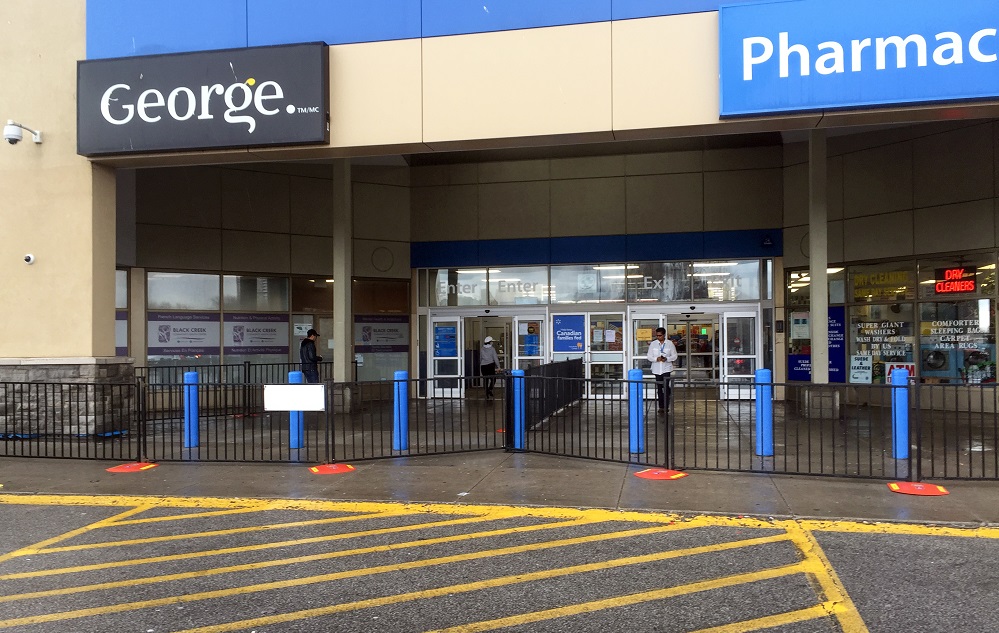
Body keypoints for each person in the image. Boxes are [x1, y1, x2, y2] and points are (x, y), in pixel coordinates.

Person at [646, 327, 678, 415]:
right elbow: (649, 356)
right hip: (657, 369)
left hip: (666, 368)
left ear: (664, 335)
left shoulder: (670, 344)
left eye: (660, 335)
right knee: (659, 388)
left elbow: (675, 356)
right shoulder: (653, 344)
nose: (658, 337)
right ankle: (661, 406)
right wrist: (656, 359)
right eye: (656, 335)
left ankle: (666, 406)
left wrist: (667, 359)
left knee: (666, 388)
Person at [479, 335, 501, 399]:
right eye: (491, 341)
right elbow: (495, 358)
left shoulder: (482, 349)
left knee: (485, 379)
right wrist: (498, 366)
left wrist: (481, 363)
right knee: (493, 379)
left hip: (483, 366)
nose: (492, 342)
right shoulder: (492, 349)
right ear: (490, 342)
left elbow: (480, 358)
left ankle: (486, 392)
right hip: (490, 365)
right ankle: (490, 389)